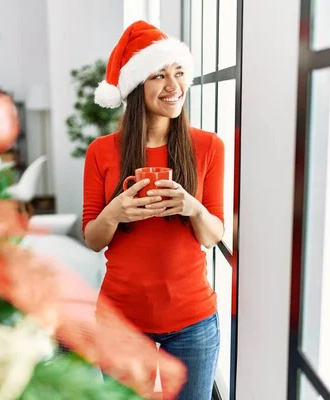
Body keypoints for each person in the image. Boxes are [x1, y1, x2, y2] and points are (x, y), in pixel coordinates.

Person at [82, 20, 224, 399]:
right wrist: (115, 213)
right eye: (158, 75)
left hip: (193, 320)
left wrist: (191, 206)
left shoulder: (209, 146)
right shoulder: (101, 151)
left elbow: (213, 235)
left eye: (178, 73)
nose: (173, 86)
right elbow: (93, 239)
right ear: (134, 87)